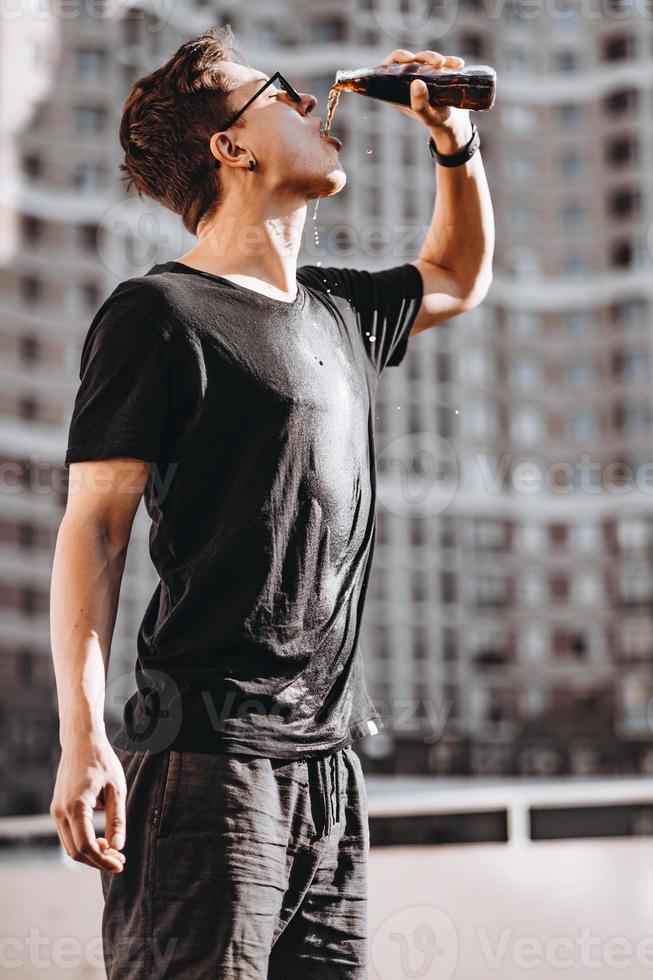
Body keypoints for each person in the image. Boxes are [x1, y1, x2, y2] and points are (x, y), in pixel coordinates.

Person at [49, 24, 494, 980]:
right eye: (282, 94)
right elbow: (93, 529)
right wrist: (83, 737)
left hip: (328, 771)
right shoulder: (157, 315)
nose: (310, 103)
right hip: (205, 765)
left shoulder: (335, 306)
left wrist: (454, 144)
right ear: (232, 147)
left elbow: (457, 276)